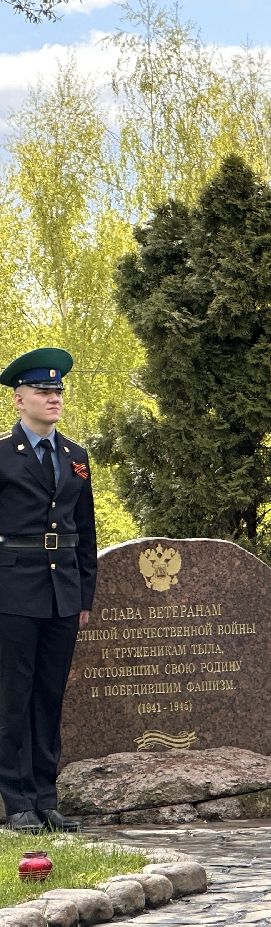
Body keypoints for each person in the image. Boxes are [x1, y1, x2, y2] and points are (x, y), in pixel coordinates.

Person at [0, 347, 95, 834]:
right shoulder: (2, 455)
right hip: (13, 590)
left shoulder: (75, 457)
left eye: (58, 391)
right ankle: (16, 800)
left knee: (49, 696)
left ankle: (46, 797)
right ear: (19, 399)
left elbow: (85, 531)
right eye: (43, 391)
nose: (54, 398)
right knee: (13, 697)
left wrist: (84, 597)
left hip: (62, 592)